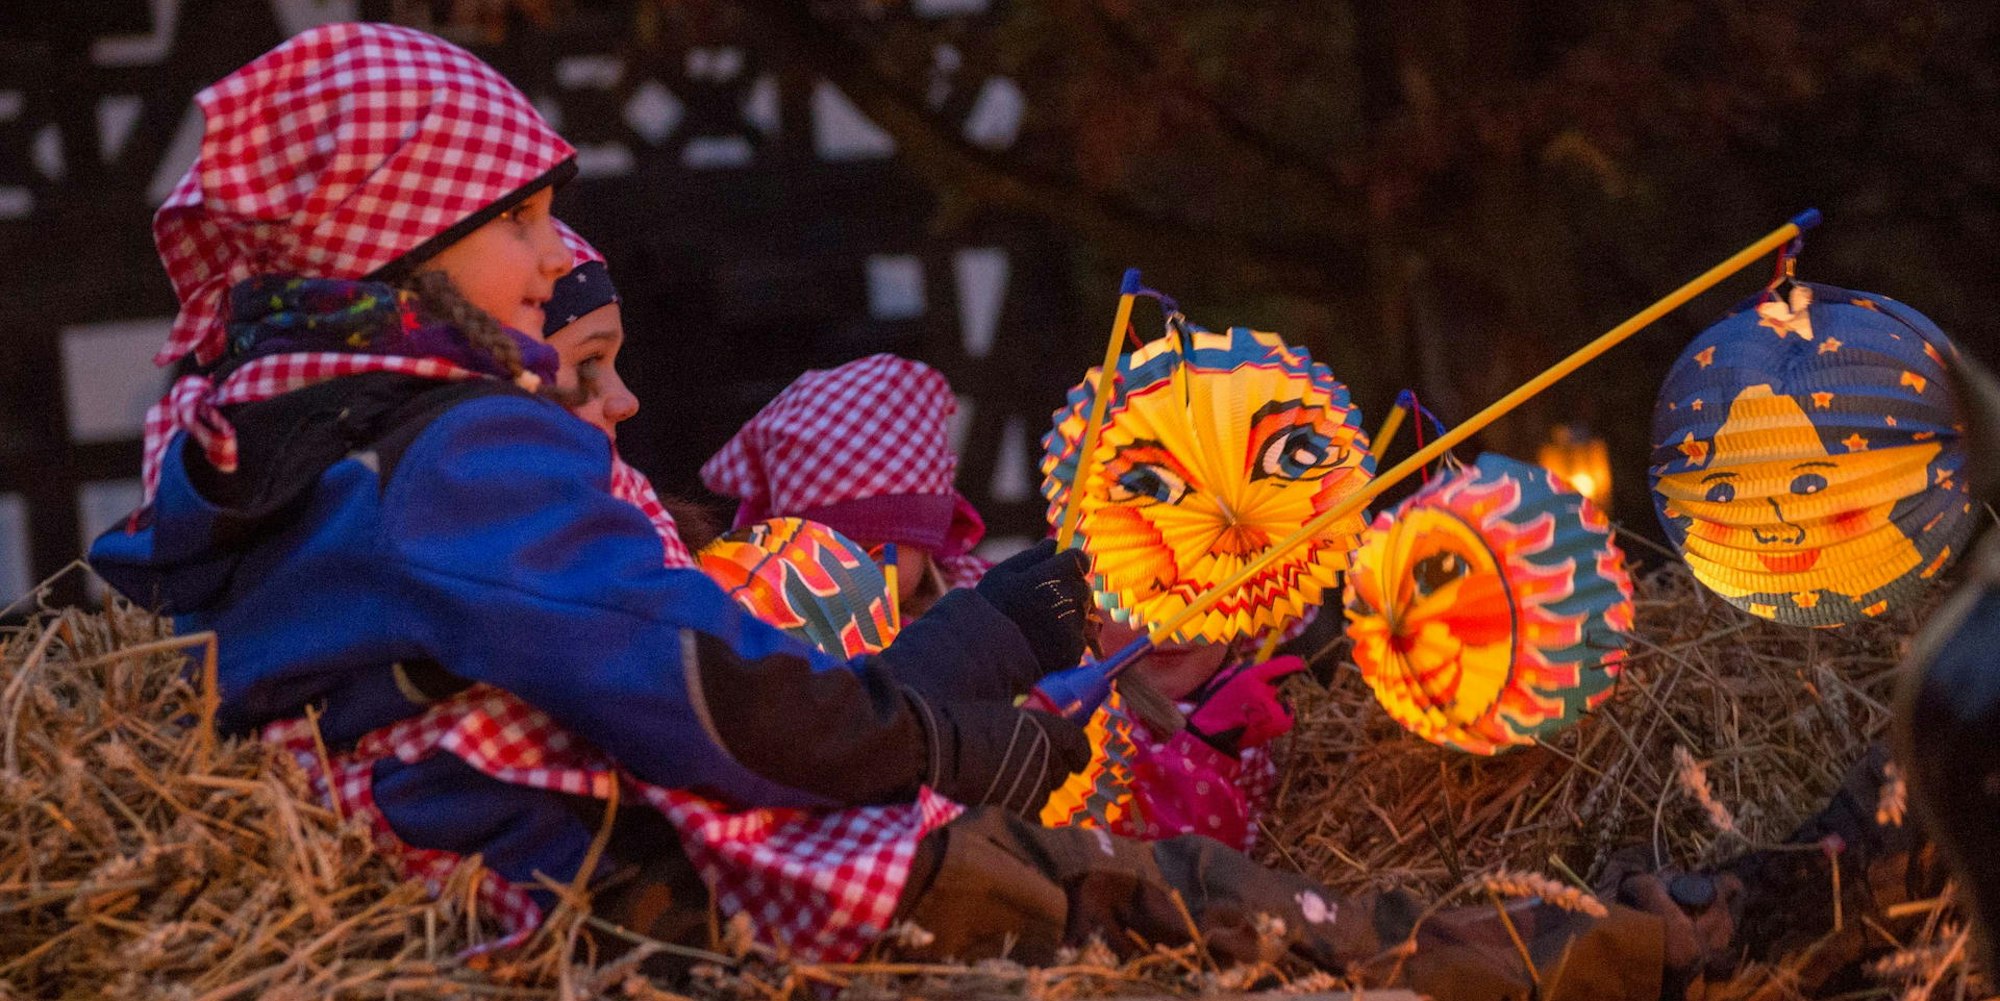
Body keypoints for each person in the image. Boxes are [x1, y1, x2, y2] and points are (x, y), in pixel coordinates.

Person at [86, 23, 1890, 1001]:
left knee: (1199, 899)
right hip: (724, 892)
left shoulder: (250, 458)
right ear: (382, 252)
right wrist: (1000, 754)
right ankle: (1711, 933)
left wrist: (1037, 616)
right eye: (523, 223)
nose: (564, 258)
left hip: (605, 883)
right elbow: (738, 708)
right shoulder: (463, 451)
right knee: (1251, 925)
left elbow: (734, 673)